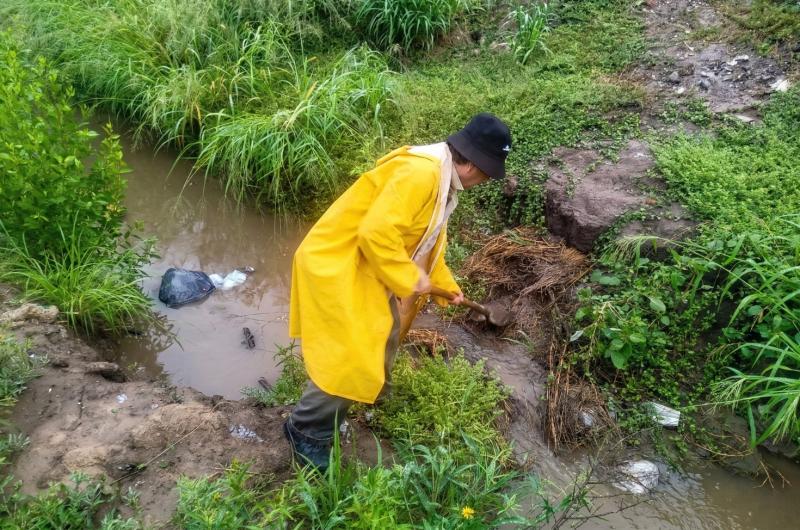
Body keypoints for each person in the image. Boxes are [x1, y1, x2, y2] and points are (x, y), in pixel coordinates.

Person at [284, 113, 512, 470]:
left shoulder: (442, 182)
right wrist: (409, 277)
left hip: (367, 266)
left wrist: (446, 288)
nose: (485, 181)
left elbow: (427, 245)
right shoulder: (420, 174)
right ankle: (306, 430)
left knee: (385, 332)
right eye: (488, 173)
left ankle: (365, 396)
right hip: (338, 264)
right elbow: (376, 233)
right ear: (475, 165)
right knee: (352, 354)